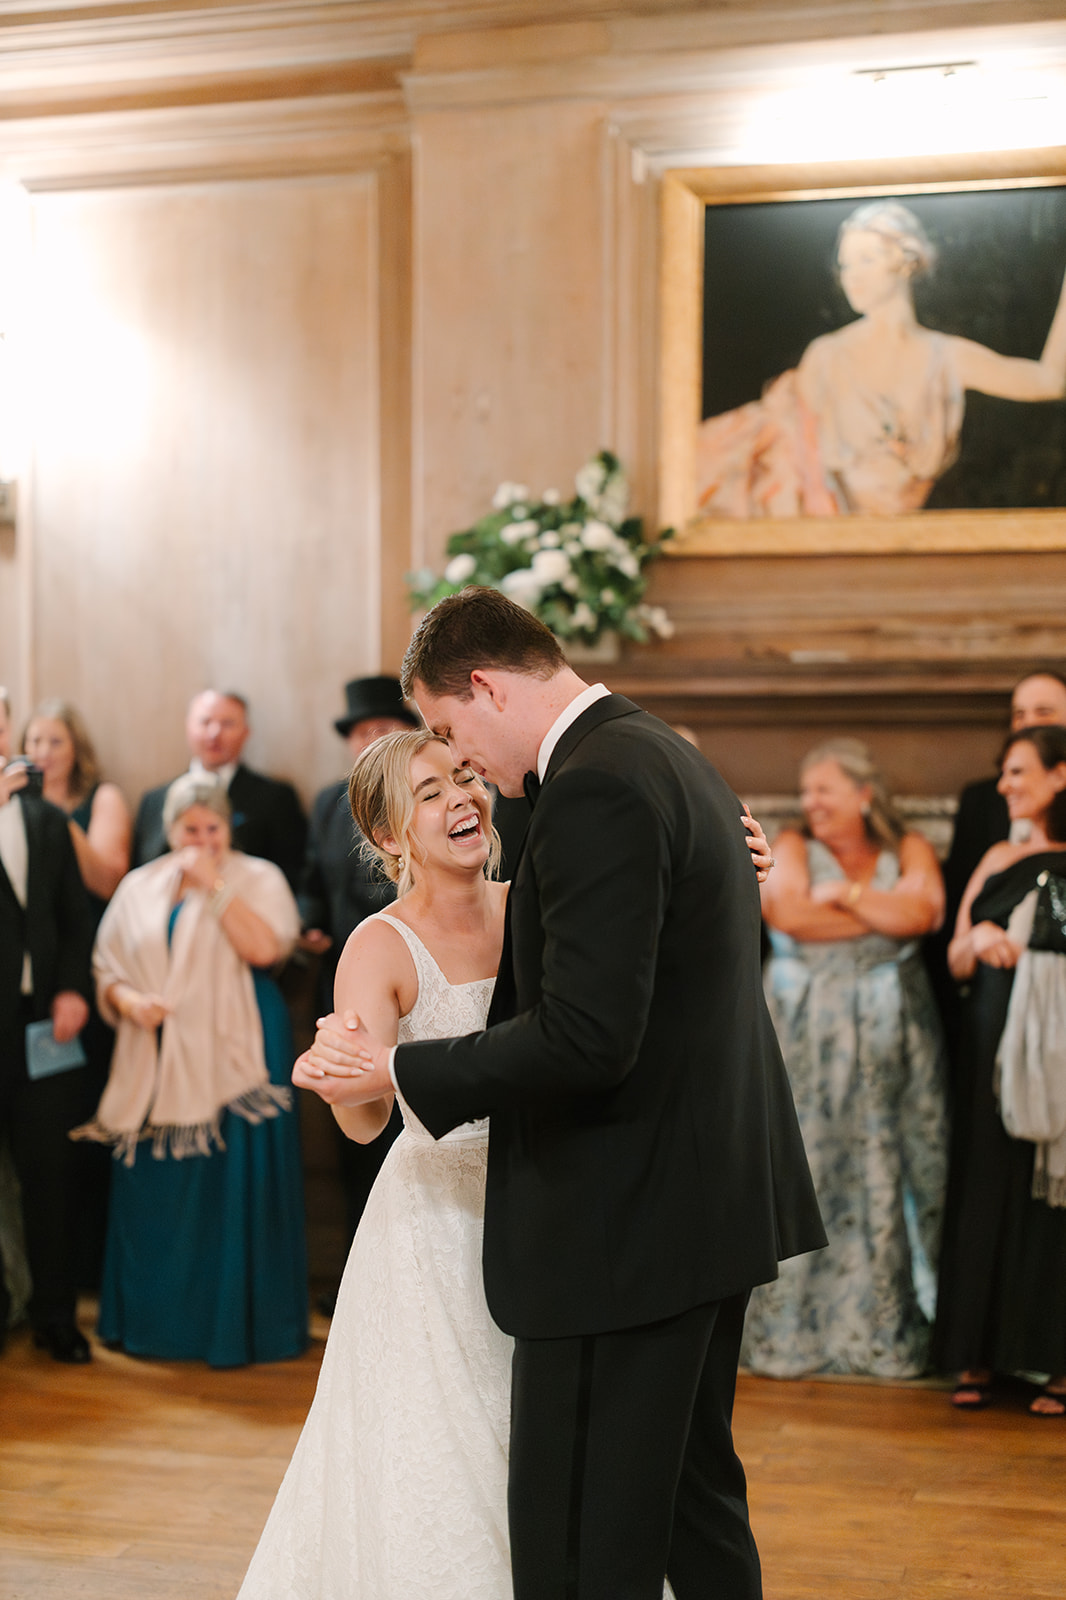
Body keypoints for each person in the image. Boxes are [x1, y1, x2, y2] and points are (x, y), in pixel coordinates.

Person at [304, 586, 824, 1600]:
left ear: (486, 688)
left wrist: (398, 1069)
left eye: (454, 734)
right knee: (691, 1506)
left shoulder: (595, 787)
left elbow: (586, 1036)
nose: (468, 768)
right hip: (695, 1202)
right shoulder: (661, 753)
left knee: (583, 1543)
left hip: (619, 1223)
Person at [238, 728, 512, 1596]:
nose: (461, 798)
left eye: (465, 778)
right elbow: (365, 1124)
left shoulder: (531, 905)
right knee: (437, 1446)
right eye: (430, 793)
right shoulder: (379, 945)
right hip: (435, 1226)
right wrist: (338, 1078)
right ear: (390, 836)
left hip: (541, 1198)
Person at [76, 773, 308, 1367]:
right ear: (170, 830)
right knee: (157, 1191)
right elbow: (106, 966)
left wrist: (215, 885)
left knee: (230, 1193)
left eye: (212, 828)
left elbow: (266, 950)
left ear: (228, 827)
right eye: (189, 829)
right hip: (155, 1053)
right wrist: (129, 1002)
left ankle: (234, 1329)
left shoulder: (258, 875)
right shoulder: (139, 884)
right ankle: (154, 1325)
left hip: (240, 1052)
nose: (202, 839)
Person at [743, 738, 948, 1378]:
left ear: (863, 794)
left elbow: (926, 911)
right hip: (807, 1037)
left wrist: (846, 896)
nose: (810, 802)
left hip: (893, 1038)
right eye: (805, 791)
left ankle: (889, 1324)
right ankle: (794, 1334)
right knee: (810, 1161)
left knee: (892, 1160)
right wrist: (882, 915)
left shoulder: (908, 846)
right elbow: (789, 915)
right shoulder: (792, 844)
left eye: (823, 789)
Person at [696, 199, 1066, 518]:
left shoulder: (947, 357)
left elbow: (1051, 381)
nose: (851, 276)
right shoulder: (827, 356)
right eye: (845, 265)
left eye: (866, 259)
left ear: (904, 262)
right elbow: (796, 469)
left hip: (914, 550)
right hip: (834, 551)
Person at [933, 724, 1066, 1416]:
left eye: (1019, 771)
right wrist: (980, 936)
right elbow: (956, 958)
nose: (1006, 784)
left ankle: (1058, 1361)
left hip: (1059, 1052)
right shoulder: (995, 856)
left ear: (1061, 775)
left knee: (1052, 1197)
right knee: (985, 1182)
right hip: (988, 1050)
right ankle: (976, 1352)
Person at [298, 675, 419, 1301]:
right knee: (357, 1135)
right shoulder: (327, 802)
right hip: (345, 985)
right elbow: (313, 879)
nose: (369, 739)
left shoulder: (422, 800)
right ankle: (359, 1277)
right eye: (360, 731)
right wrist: (309, 922)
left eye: (381, 727)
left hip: (418, 978)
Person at [22, 698, 133, 1285]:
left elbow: (107, 878)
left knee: (86, 1118)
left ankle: (89, 1266)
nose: (43, 753)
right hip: (30, 988)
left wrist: (49, 814)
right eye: (34, 741)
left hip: (89, 978)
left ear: (75, 749)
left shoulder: (100, 800)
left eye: (55, 742)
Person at [0, 688, 94, 1363]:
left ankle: (56, 1316)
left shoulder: (45, 818)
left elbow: (72, 916)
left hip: (41, 1025)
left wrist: (70, 989)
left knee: (51, 1172)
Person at [133, 690, 307, 892]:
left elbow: (293, 877)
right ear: (188, 727)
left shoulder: (275, 799)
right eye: (205, 722)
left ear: (246, 732)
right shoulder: (155, 800)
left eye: (227, 723)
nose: (214, 733)